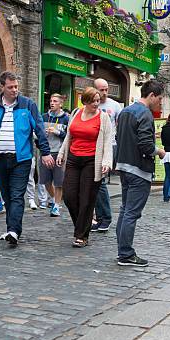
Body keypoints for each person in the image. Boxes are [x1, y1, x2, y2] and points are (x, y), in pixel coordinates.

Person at [0, 71, 54, 247]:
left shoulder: (27, 105)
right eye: (10, 87)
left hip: (21, 159)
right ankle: (10, 229)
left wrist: (45, 152)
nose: (14, 90)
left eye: (16, 87)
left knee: (17, 195)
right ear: (2, 87)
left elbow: (39, 130)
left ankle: (14, 231)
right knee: (6, 195)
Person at [115, 80, 166, 266]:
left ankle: (122, 249)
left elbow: (118, 137)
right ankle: (126, 254)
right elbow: (145, 144)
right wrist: (158, 151)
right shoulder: (145, 114)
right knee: (131, 213)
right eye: (159, 99)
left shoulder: (126, 111)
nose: (160, 103)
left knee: (125, 210)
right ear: (151, 95)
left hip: (123, 165)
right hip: (138, 168)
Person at [57, 87, 112, 248]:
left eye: (98, 100)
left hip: (92, 161)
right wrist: (61, 153)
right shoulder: (75, 114)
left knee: (87, 199)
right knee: (69, 196)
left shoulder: (103, 118)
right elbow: (69, 135)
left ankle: (81, 235)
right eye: (93, 101)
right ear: (85, 101)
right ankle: (82, 226)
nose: (96, 103)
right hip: (73, 159)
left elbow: (107, 141)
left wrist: (107, 162)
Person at [92, 78, 121, 232]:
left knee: (100, 182)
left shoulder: (115, 106)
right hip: (92, 147)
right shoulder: (90, 105)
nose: (104, 93)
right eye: (101, 90)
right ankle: (100, 217)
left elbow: (120, 128)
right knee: (94, 184)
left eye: (106, 90)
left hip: (109, 147)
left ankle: (106, 218)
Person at [40, 93, 69, 217]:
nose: (52, 103)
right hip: (46, 152)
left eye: (55, 101)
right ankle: (54, 200)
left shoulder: (66, 118)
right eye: (51, 101)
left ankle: (56, 205)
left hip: (59, 152)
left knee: (59, 182)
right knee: (45, 181)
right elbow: (38, 134)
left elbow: (69, 136)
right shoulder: (43, 117)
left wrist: (56, 131)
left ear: (61, 104)